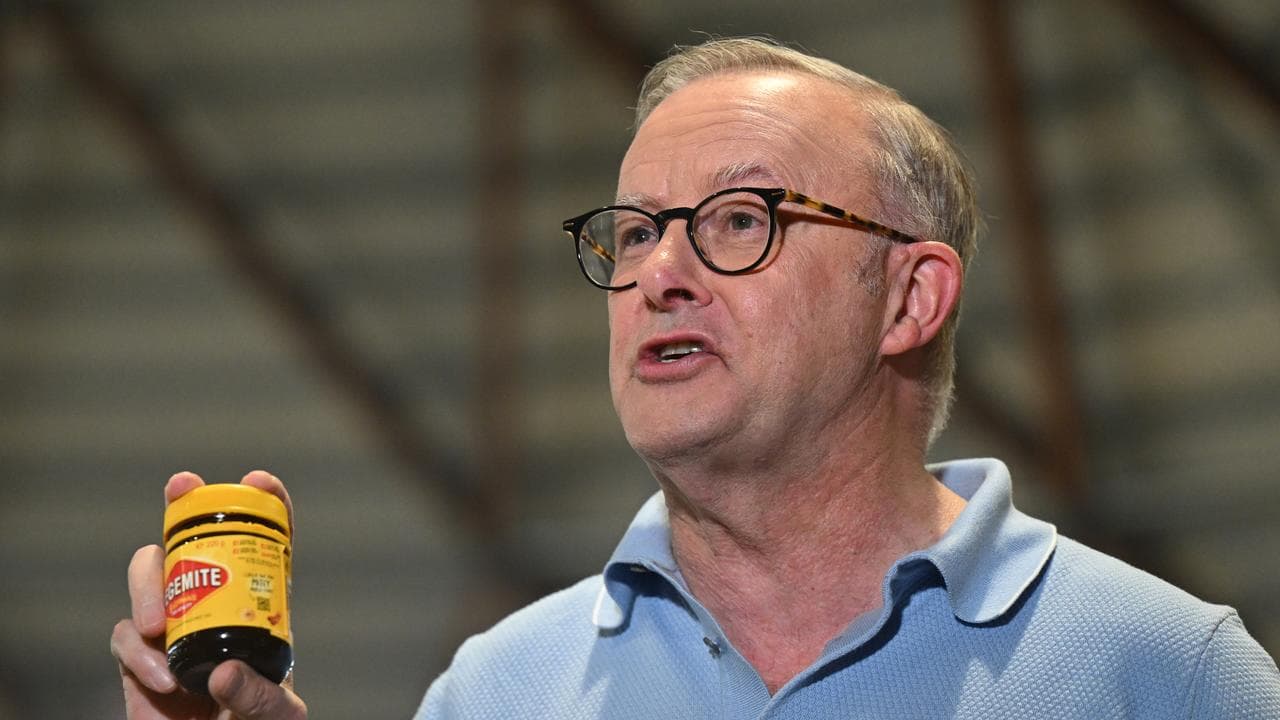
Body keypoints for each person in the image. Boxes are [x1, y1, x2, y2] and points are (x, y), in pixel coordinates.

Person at [112, 37, 1280, 719]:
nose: (658, 271)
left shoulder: (1165, 671)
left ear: (910, 298)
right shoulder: (498, 692)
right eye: (629, 232)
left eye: (736, 218)